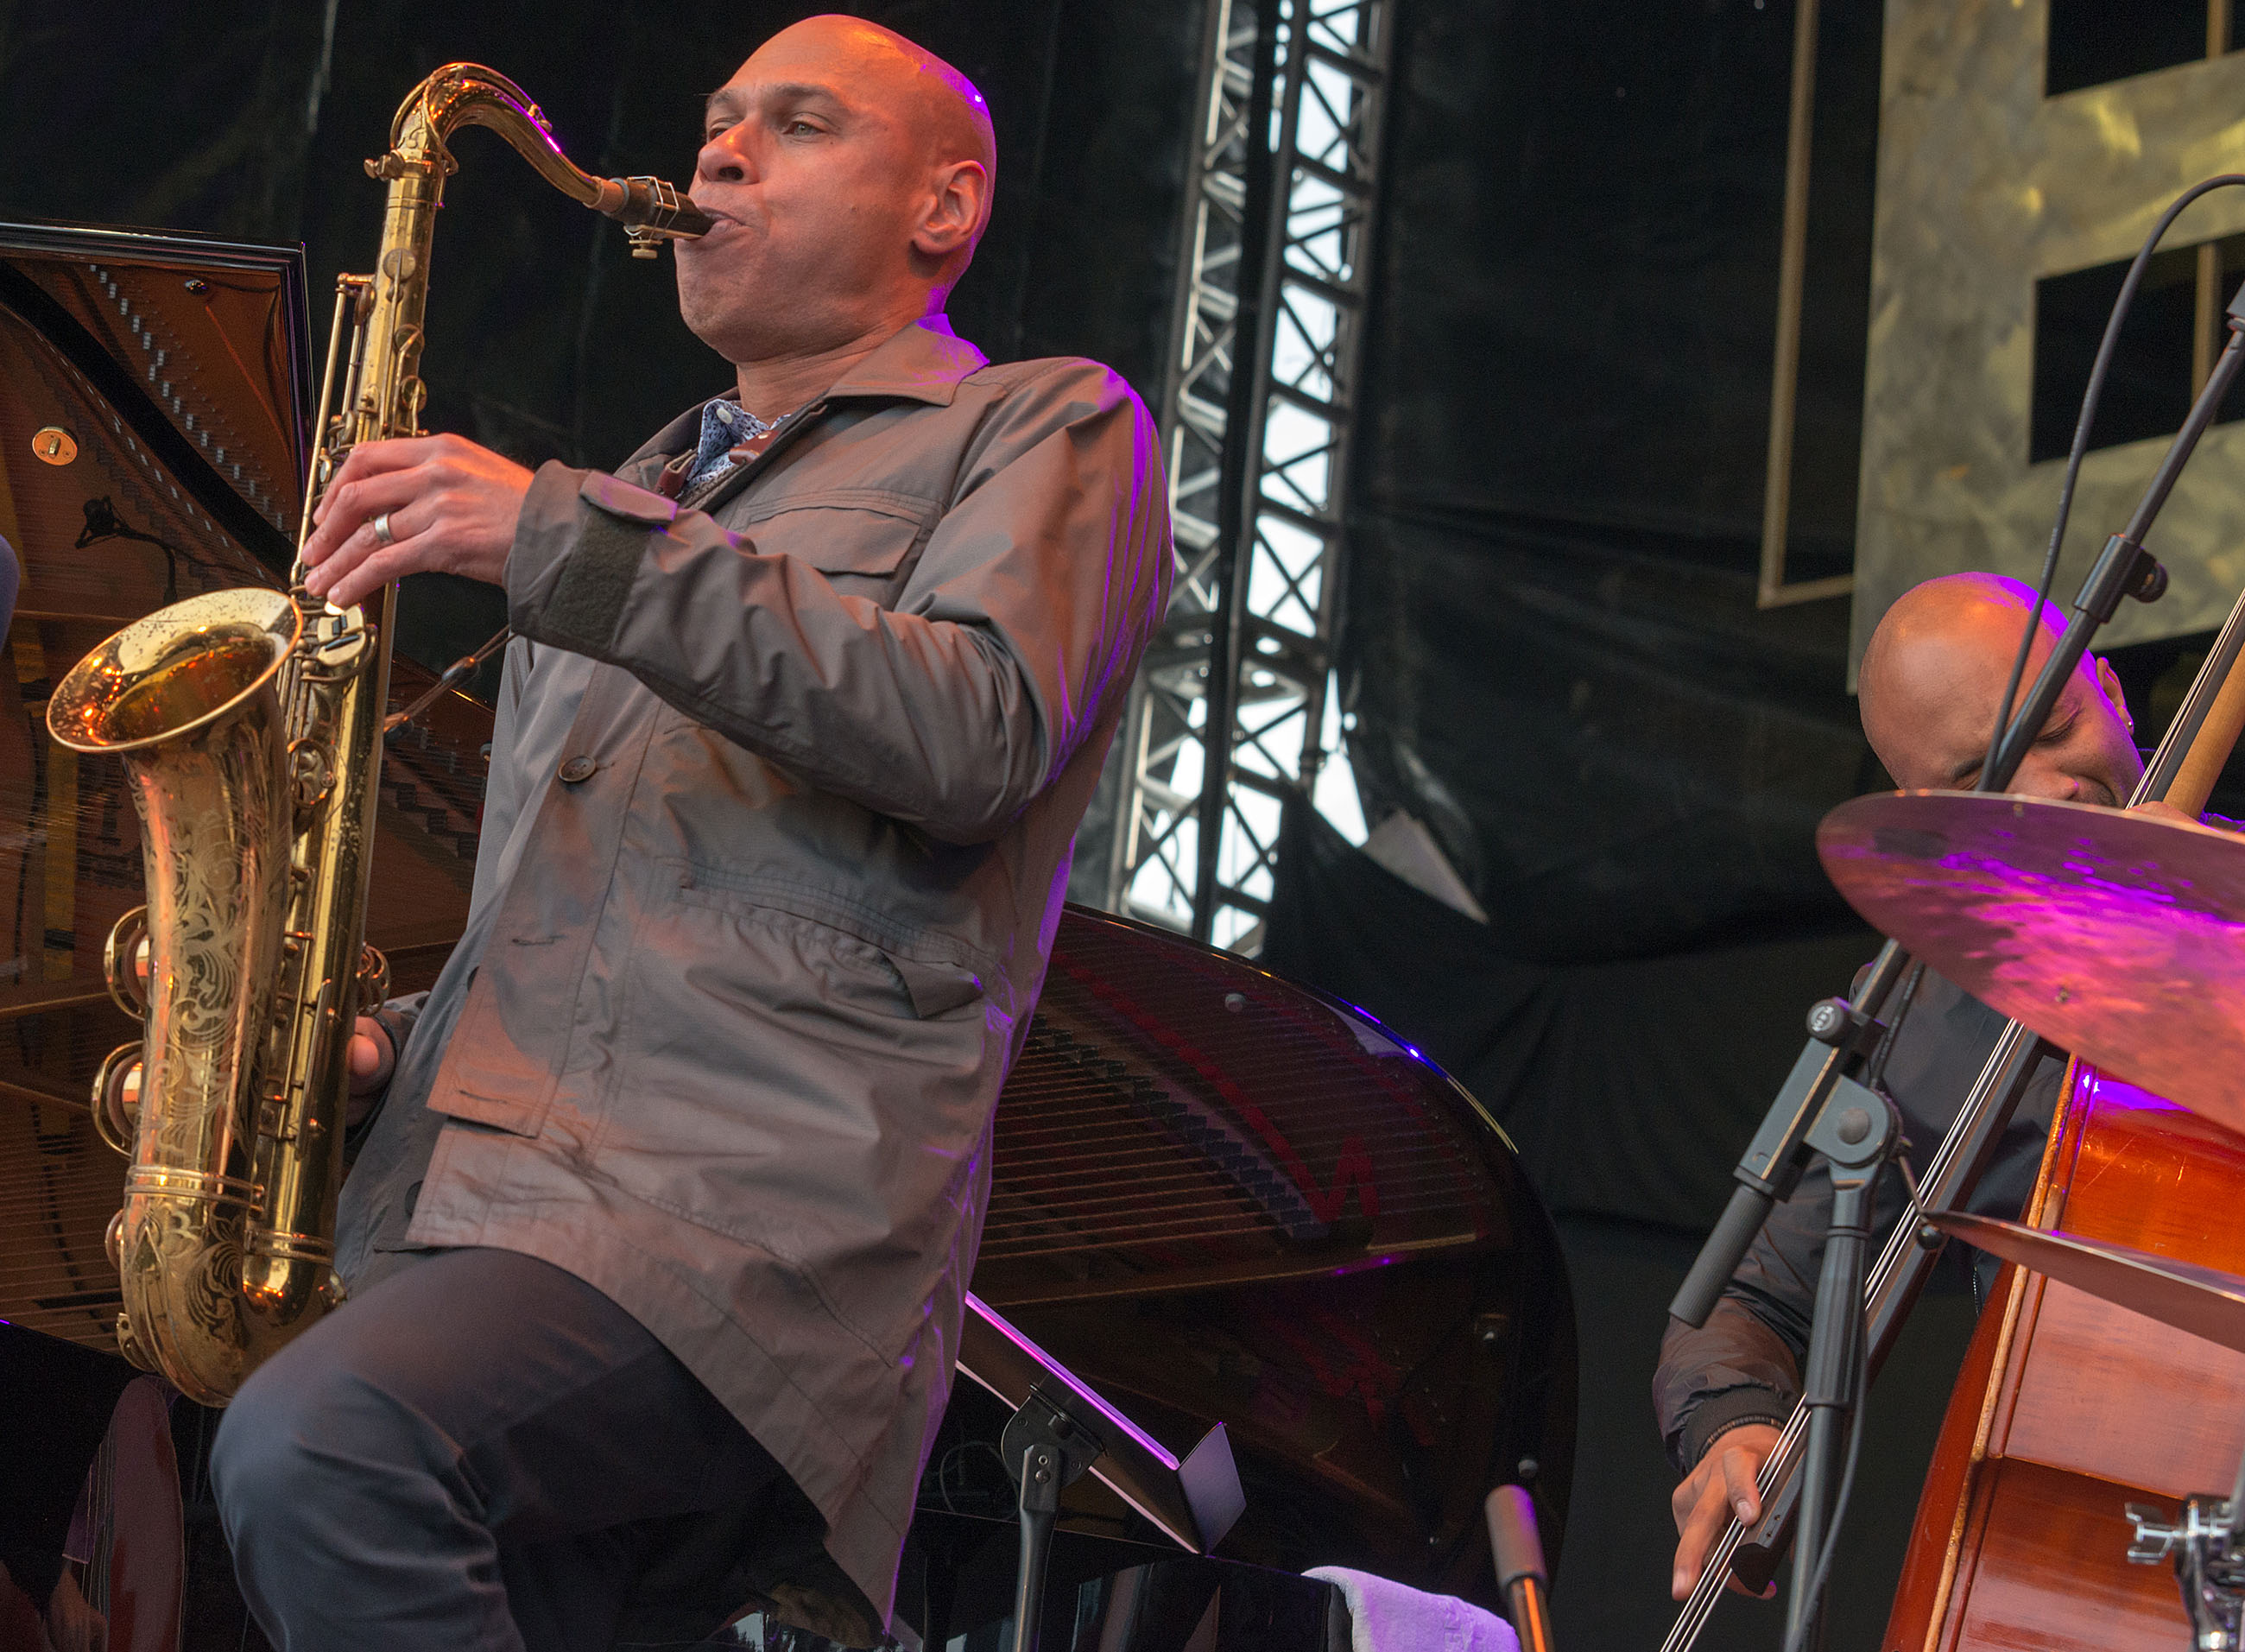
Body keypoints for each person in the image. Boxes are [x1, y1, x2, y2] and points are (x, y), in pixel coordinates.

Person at [206, 16, 1172, 1652]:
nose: (719, 154)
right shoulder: (657, 479)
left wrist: (568, 535)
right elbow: (595, 914)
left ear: (944, 209)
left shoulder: (1044, 421)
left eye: (796, 127)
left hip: (739, 1228)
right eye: (720, 122)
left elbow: (975, 726)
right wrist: (372, 1048)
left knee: (330, 1446)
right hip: (483, 1209)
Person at [1658, 570, 2165, 1605]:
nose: (2053, 784)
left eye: (2061, 724)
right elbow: (1748, 1296)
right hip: (2080, 1551)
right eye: (1988, 774)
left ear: (2110, 689)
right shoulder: (1925, 1021)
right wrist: (1734, 1422)